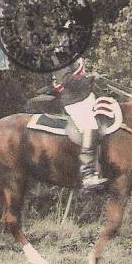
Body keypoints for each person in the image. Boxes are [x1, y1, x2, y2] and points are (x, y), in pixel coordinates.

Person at [36, 56, 108, 191]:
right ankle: (87, 174)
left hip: (86, 97)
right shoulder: (58, 55)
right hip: (75, 101)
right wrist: (90, 78)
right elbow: (66, 80)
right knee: (90, 126)